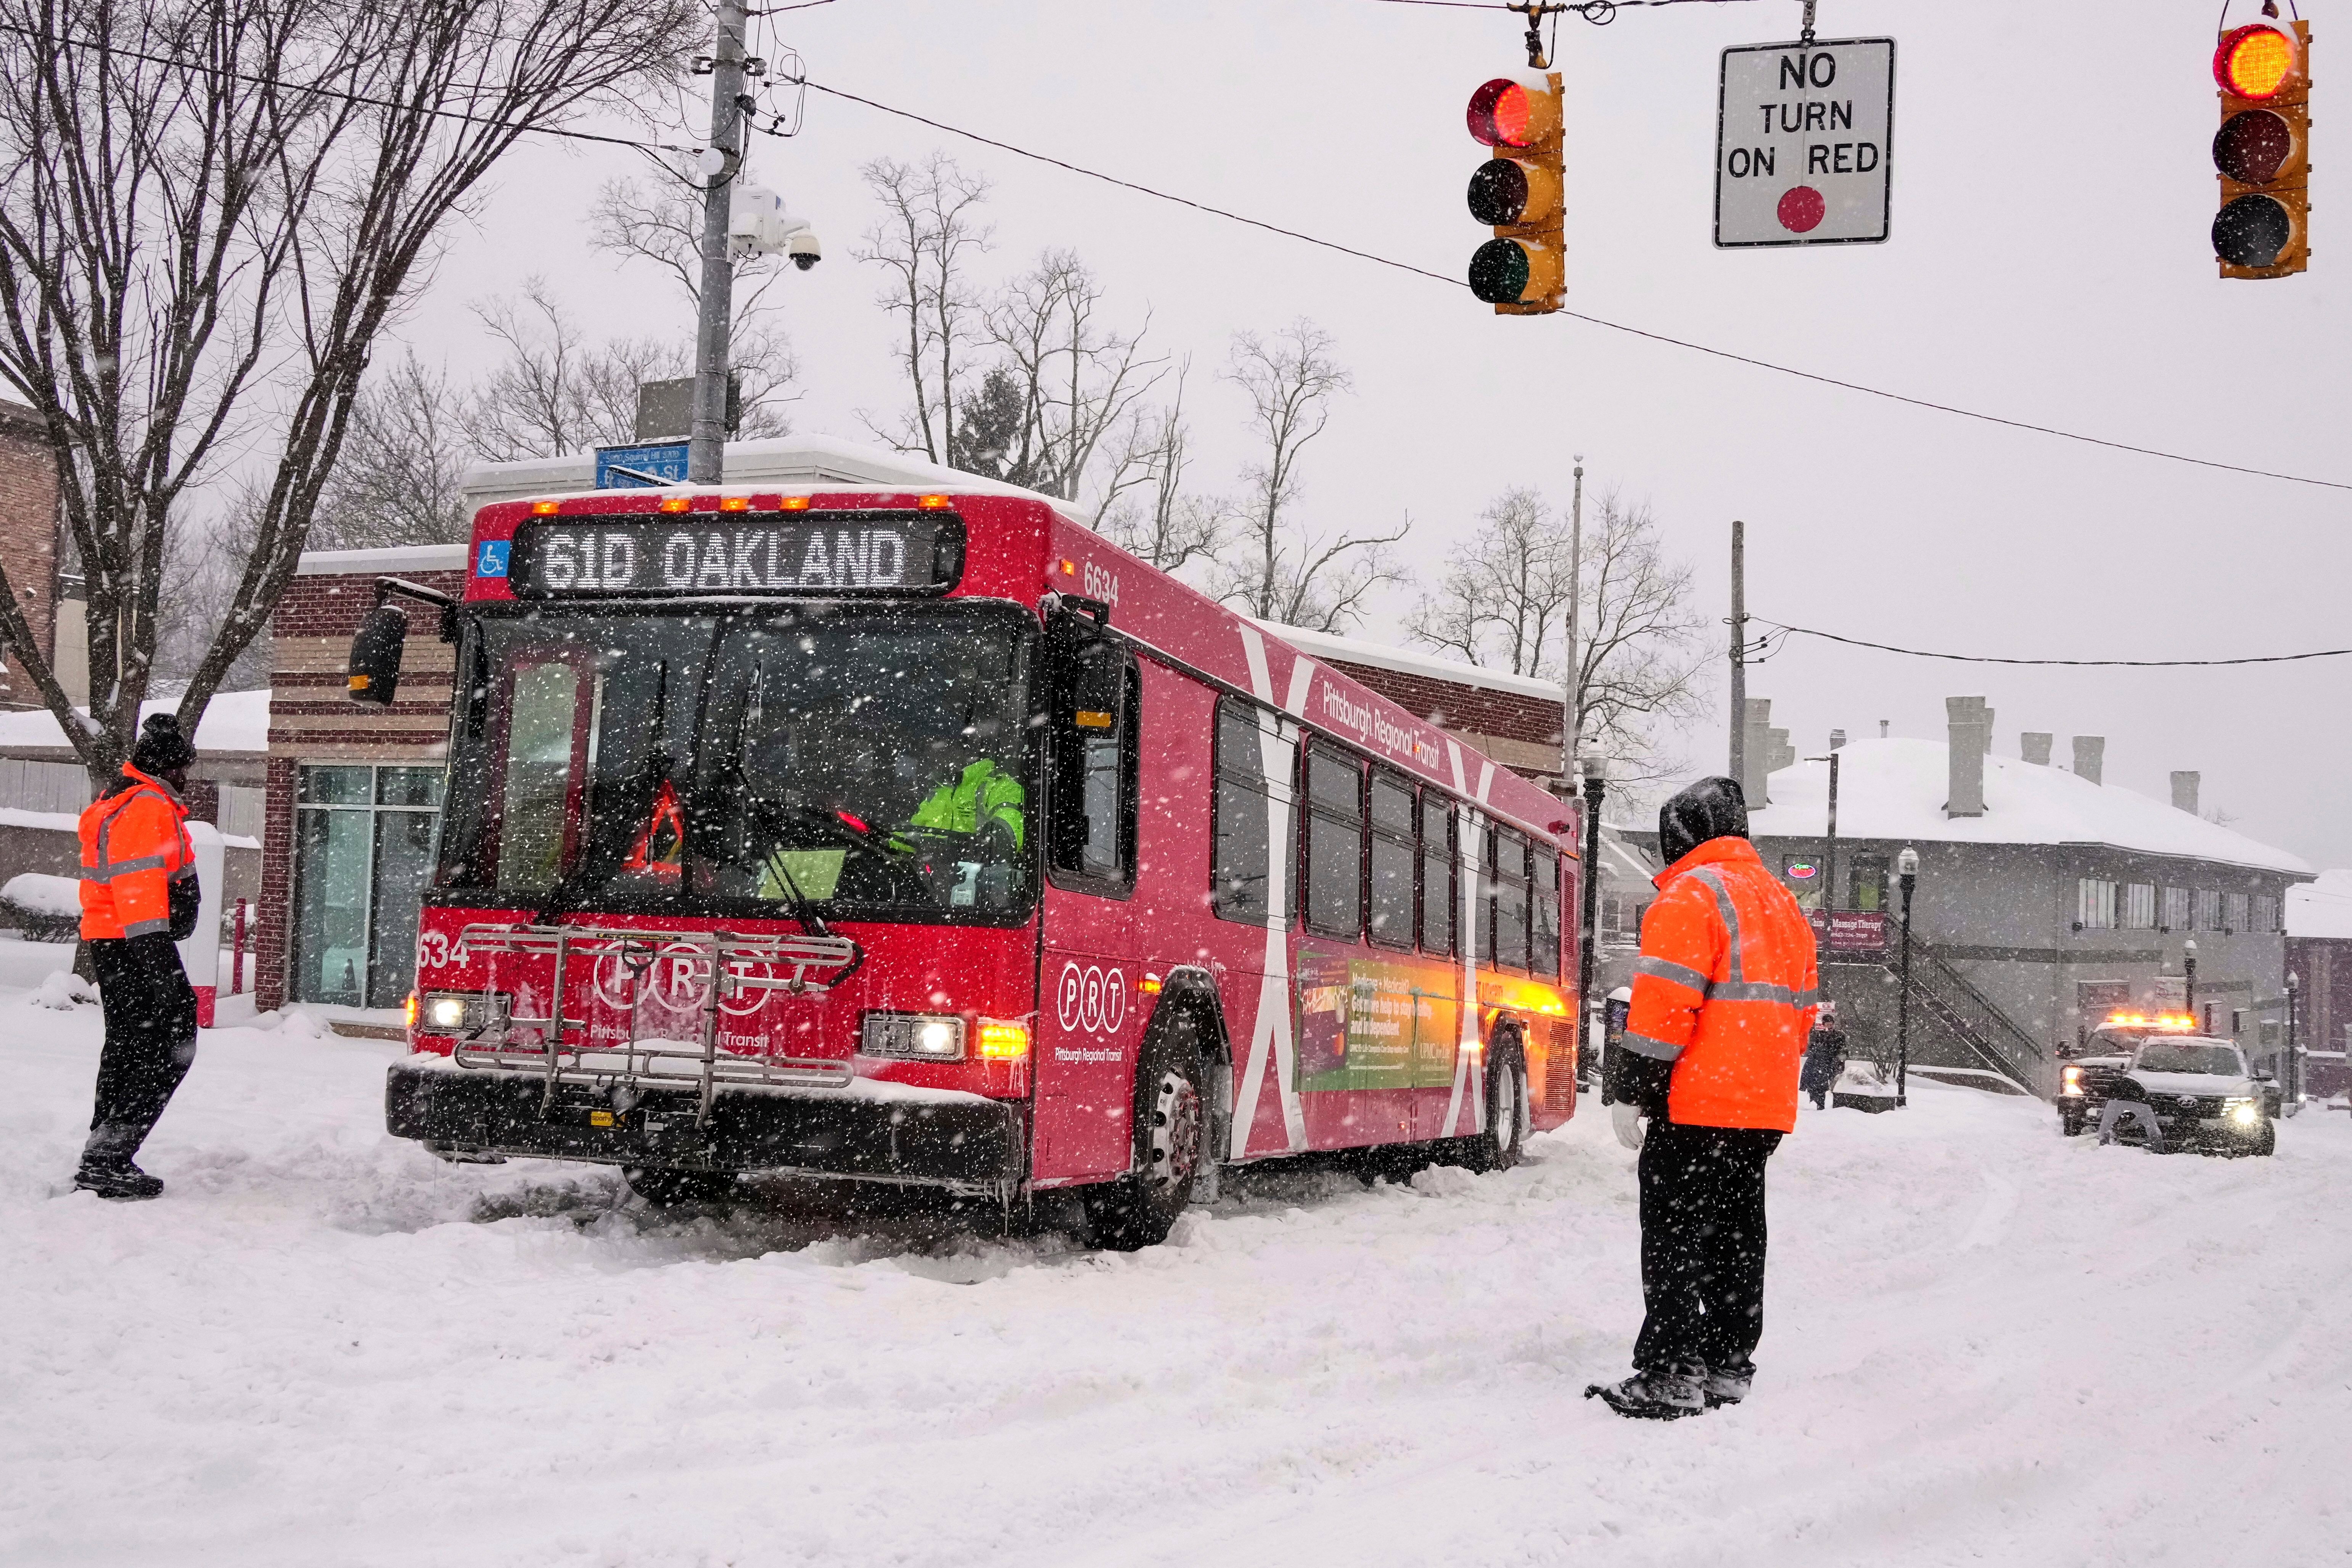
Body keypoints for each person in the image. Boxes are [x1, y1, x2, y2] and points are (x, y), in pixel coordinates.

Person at [1586, 776, 1819, 1421]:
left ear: (1680, 835)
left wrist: (1631, 1092)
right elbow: (1801, 1017)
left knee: (1674, 1236)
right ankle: (1727, 1364)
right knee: (1737, 1235)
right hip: (1761, 1108)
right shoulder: (1782, 904)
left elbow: (1663, 1009)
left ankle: (1670, 1371)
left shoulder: (1693, 896)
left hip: (1696, 1105)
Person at [73, 714, 204, 1201]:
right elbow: (138, 888)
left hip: (118, 942)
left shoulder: (122, 800)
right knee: (168, 1041)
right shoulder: (146, 806)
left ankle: (104, 1148)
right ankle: (108, 1156)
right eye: (183, 767)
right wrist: (161, 964)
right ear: (166, 767)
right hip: (136, 943)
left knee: (130, 1043)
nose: (187, 777)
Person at [1802, 1002, 1849, 1110]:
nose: (1829, 1025)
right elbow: (1813, 1049)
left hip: (1833, 1064)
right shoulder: (1819, 1035)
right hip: (1821, 1065)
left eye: (1830, 1023)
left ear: (1833, 1024)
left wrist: (1839, 1060)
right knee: (1820, 1086)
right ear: (1823, 1025)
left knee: (1836, 1086)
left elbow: (1842, 1050)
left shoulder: (1839, 1035)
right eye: (1826, 1023)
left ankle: (1838, 1107)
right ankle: (1821, 1105)